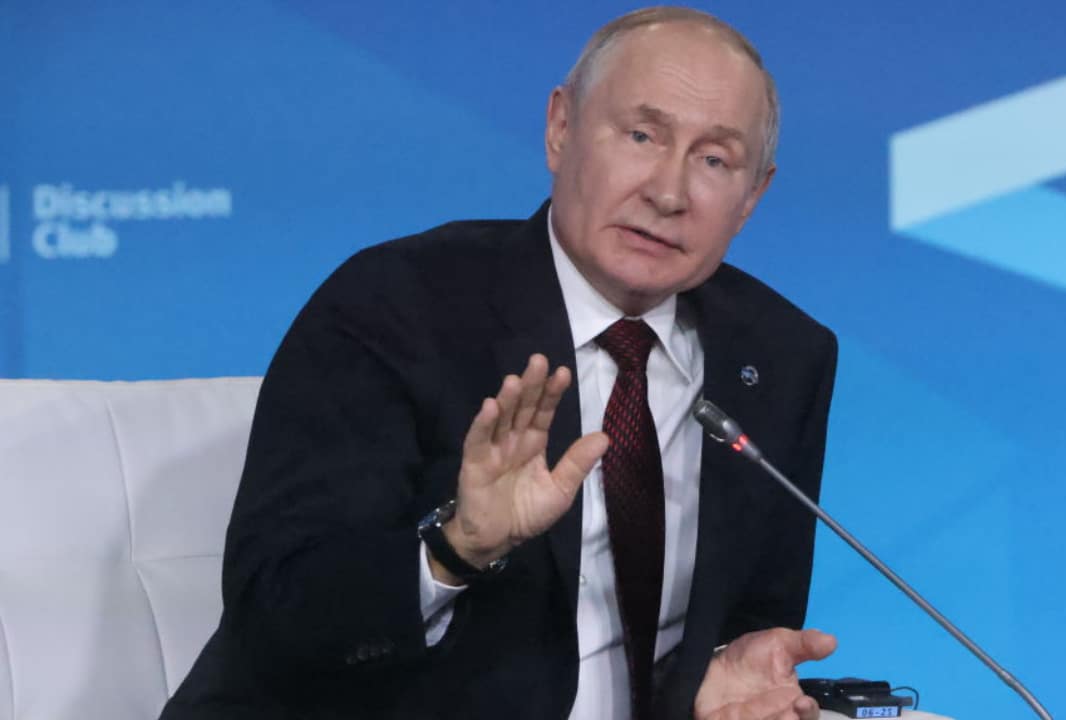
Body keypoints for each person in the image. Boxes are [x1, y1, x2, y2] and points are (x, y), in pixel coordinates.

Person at [163, 6, 838, 720]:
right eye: (642, 135)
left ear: (753, 196)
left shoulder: (782, 355)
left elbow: (753, 614)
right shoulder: (393, 307)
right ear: (560, 129)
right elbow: (276, 612)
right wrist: (455, 549)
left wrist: (719, 674)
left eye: (714, 160)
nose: (668, 194)